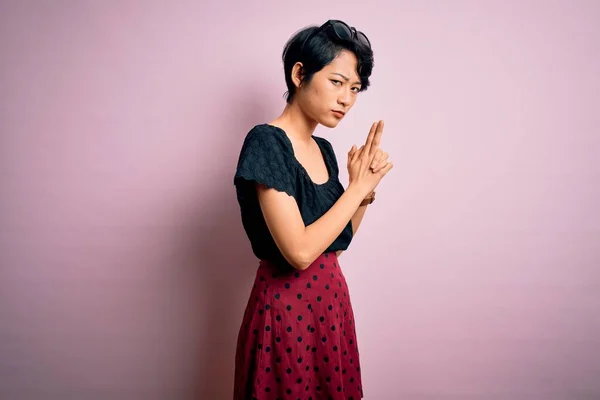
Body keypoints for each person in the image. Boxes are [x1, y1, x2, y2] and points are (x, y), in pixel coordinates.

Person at [232, 19, 393, 400]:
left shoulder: (324, 150)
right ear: (300, 74)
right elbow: (300, 252)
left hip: (330, 309)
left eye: (354, 89)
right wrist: (355, 190)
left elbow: (338, 242)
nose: (347, 99)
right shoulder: (266, 143)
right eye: (337, 82)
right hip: (286, 314)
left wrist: (365, 191)